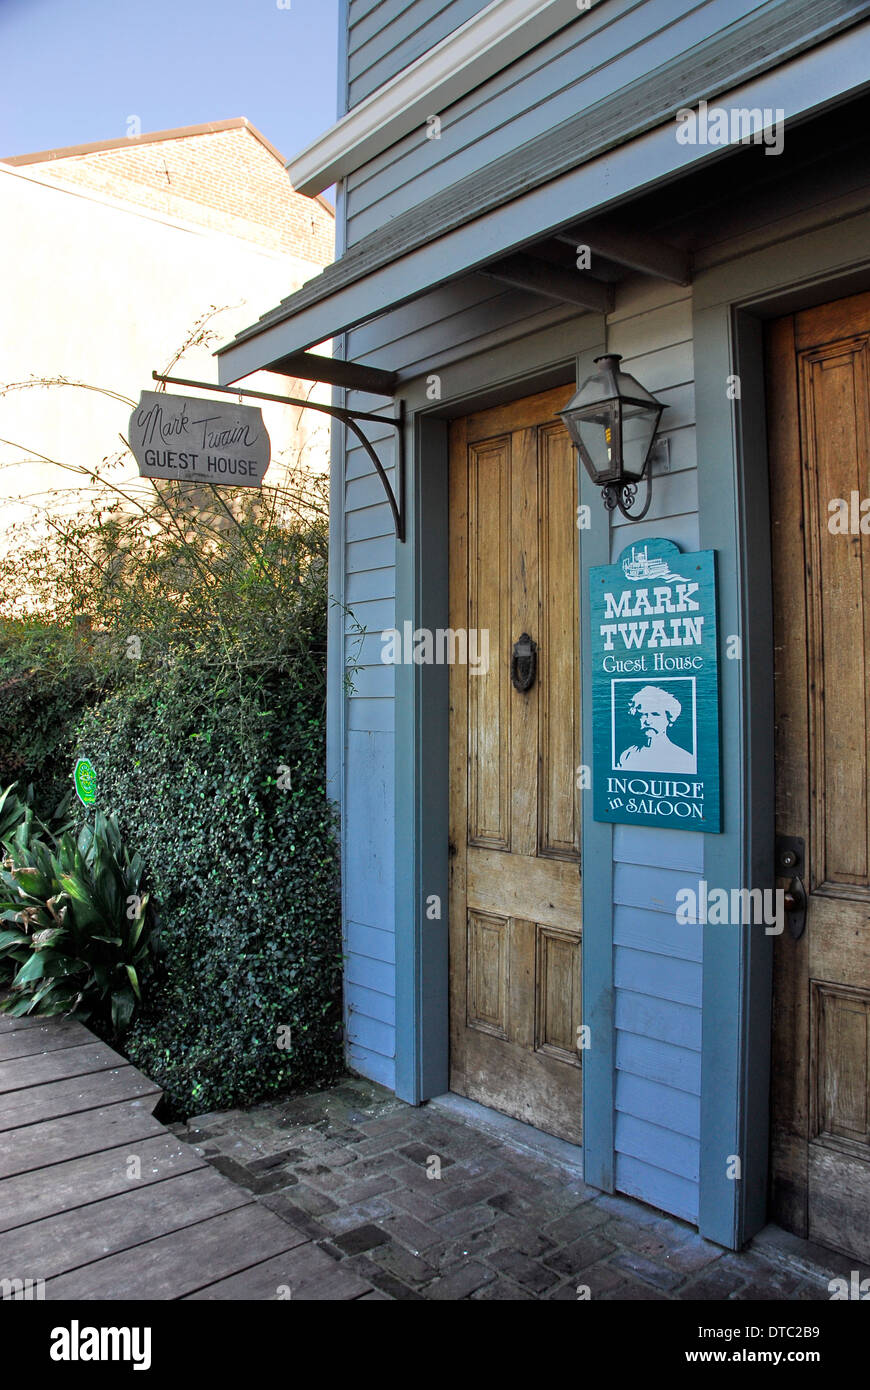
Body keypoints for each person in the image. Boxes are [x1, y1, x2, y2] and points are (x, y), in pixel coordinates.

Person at [617, 684, 695, 772]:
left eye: (655, 714)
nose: (648, 721)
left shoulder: (684, 759)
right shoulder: (627, 755)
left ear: (669, 719)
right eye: (642, 715)